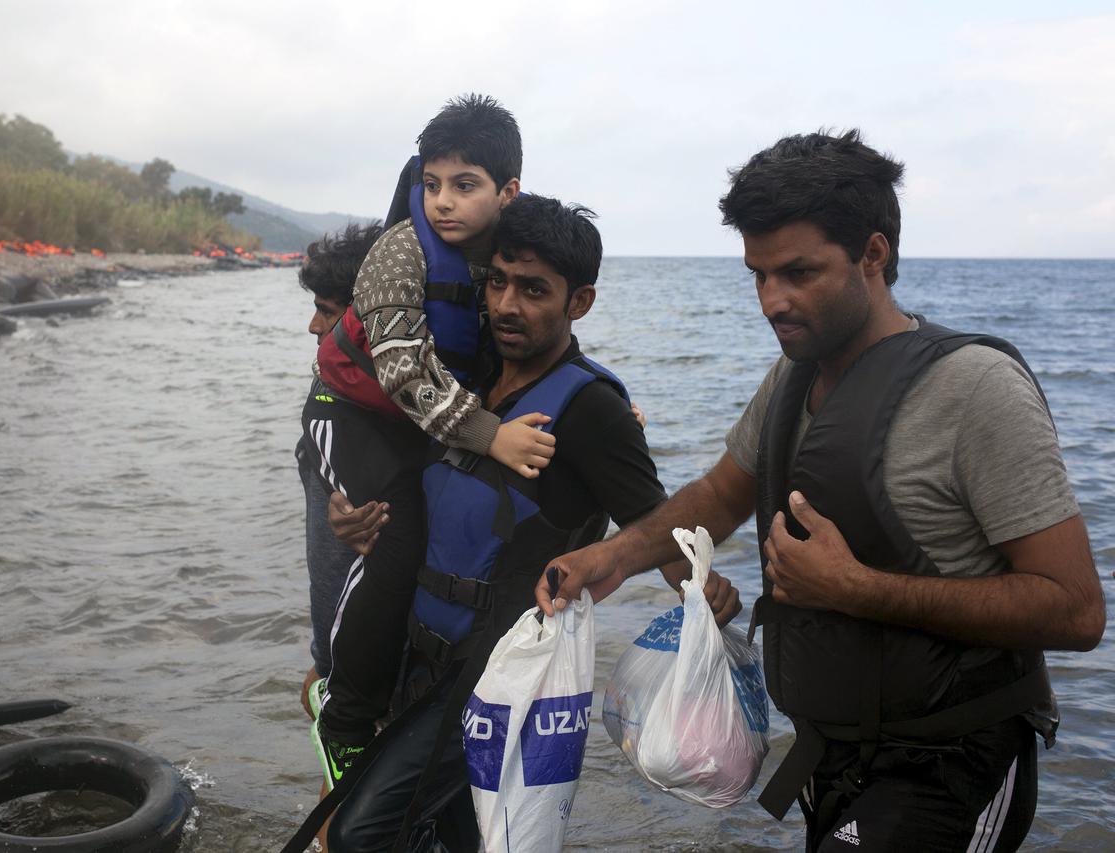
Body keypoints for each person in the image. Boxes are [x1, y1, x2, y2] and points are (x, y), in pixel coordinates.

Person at [536, 130, 1105, 852]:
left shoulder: (976, 390)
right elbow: (719, 493)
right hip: (834, 758)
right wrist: (609, 556)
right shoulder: (795, 375)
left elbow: (1078, 609)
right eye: (758, 274)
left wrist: (859, 587)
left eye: (799, 271)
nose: (772, 299)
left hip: (952, 764)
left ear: (873, 255)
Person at [321, 193, 740, 852]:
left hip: (494, 679)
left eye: (534, 289)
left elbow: (654, 524)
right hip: (421, 657)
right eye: (498, 282)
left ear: (580, 302)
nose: (507, 304)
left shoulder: (593, 409)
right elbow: (407, 475)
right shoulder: (466, 375)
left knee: (357, 833)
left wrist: (700, 587)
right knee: (460, 836)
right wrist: (353, 516)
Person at [304, 94, 556, 785]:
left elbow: (535, 337)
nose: (443, 203)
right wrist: (493, 438)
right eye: (432, 184)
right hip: (352, 414)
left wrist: (595, 406)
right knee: (396, 539)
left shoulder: (503, 252)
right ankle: (345, 712)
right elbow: (405, 371)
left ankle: (421, 710)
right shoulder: (399, 253)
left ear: (509, 192)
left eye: (464, 186)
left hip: (423, 422)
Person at [295, 221, 385, 717]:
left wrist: (331, 662)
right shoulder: (329, 393)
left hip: (365, 661)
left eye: (326, 313)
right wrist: (322, 659)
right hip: (339, 656)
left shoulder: (398, 418)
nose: (313, 327)